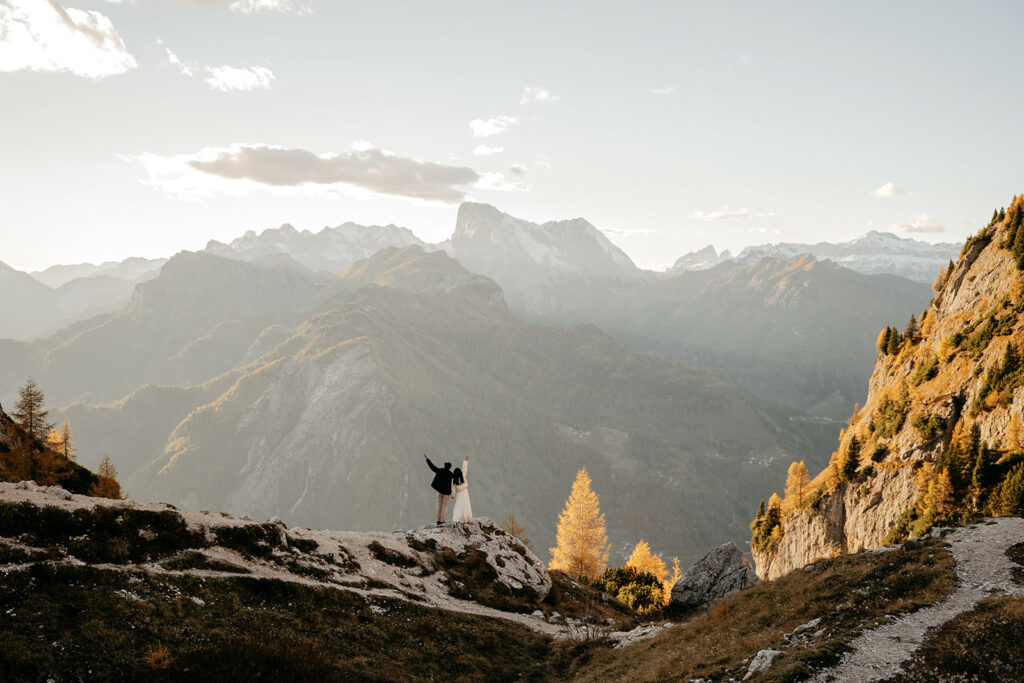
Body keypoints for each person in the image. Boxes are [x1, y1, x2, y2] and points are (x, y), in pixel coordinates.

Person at [423, 454, 454, 525]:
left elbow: (432, 467)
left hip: (439, 491)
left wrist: (427, 459)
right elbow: (456, 479)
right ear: (450, 467)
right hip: (447, 493)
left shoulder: (440, 471)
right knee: (444, 507)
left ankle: (437, 520)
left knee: (439, 505)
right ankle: (442, 520)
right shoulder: (451, 474)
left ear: (444, 466)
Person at [450, 456, 472, 524]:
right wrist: (465, 461)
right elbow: (464, 469)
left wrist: (452, 495)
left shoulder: (454, 480)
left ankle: (458, 517)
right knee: (465, 505)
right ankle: (466, 518)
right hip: (465, 492)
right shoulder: (463, 476)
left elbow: (453, 489)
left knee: (458, 505)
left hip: (459, 493)